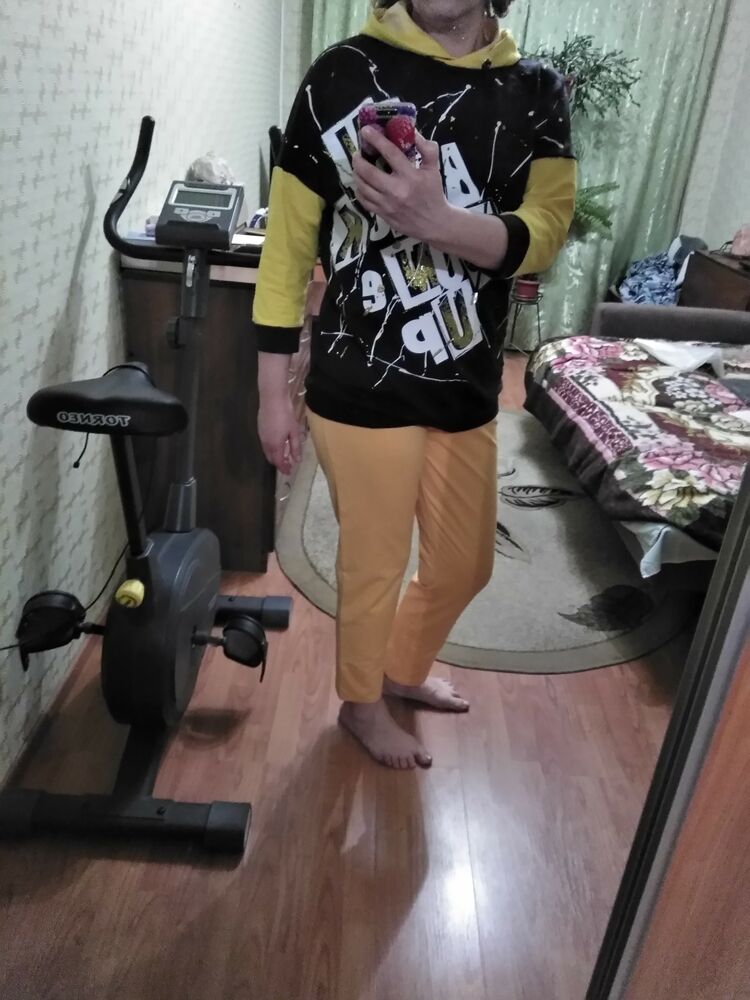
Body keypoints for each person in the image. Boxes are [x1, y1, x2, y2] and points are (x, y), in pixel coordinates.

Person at [252, 0, 576, 769]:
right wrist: (271, 393)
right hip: (359, 379)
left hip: (466, 381)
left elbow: (547, 231)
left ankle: (398, 670)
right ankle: (360, 705)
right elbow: (286, 249)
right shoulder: (340, 75)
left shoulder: (537, 91)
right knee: (374, 563)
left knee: (466, 565)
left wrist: (437, 220)